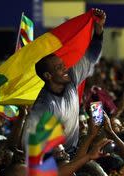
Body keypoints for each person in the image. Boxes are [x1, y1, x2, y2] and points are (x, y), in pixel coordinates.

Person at [23, 9, 106, 152]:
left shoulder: (71, 81)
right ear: (48, 75)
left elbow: (92, 56)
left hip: (75, 152)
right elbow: (29, 145)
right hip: (57, 160)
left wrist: (98, 31)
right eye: (59, 67)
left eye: (64, 65)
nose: (66, 69)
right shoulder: (44, 104)